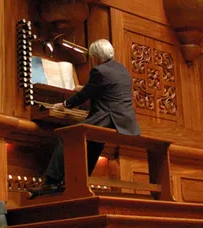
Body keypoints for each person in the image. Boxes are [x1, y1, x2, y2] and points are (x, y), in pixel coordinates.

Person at [29, 38, 140, 198]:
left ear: (96, 57)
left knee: (67, 136)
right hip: (125, 121)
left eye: (92, 58)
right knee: (94, 141)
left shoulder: (100, 71)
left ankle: (52, 182)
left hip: (109, 117)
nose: (92, 61)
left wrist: (64, 104)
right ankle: (78, 182)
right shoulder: (121, 69)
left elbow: (84, 94)